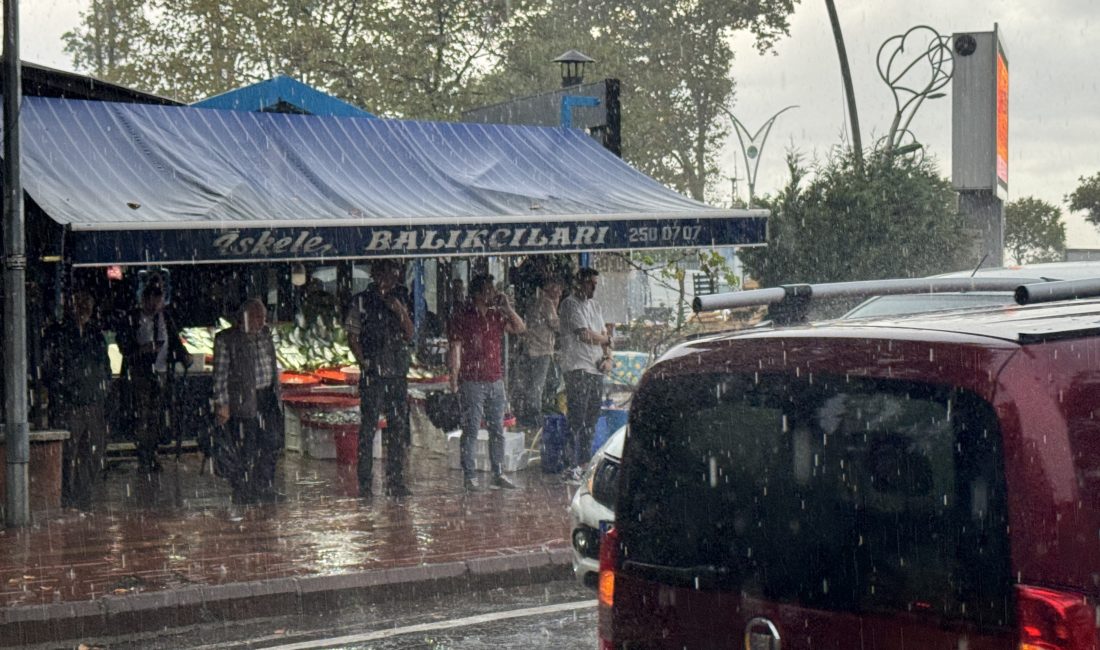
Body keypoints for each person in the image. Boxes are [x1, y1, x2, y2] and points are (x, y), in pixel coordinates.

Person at [448, 274, 526, 491]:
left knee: (497, 429)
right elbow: (455, 347)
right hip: (471, 380)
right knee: (471, 429)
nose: (493, 294)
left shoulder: (495, 315)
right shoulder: (462, 315)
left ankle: (498, 472)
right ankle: (470, 476)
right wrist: (454, 378)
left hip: (495, 379)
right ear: (478, 294)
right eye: (489, 290)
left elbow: (520, 328)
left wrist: (508, 308)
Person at [345, 259, 414, 498]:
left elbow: (410, 333)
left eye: (393, 273)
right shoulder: (361, 300)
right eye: (385, 273)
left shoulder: (402, 298)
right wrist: (365, 362)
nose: (390, 278)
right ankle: (365, 483)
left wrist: (401, 311)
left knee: (397, 428)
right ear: (375, 275)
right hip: (373, 373)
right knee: (368, 428)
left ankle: (395, 481)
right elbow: (352, 336)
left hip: (396, 372)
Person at [44, 290, 112, 510]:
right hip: (69, 403)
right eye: (79, 304)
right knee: (68, 454)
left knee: (92, 452)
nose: (83, 310)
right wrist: (63, 391)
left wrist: (103, 389)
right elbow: (51, 367)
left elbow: (105, 365)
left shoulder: (95, 334)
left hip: (92, 401)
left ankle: (83, 497)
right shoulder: (58, 333)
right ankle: (66, 496)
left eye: (87, 305)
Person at [212, 299, 283, 504]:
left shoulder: (266, 335)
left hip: (267, 396)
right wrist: (221, 403)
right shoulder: (227, 339)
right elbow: (220, 374)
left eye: (263, 317)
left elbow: (271, 363)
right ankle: (243, 489)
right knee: (246, 446)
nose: (261, 322)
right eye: (257, 317)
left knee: (271, 442)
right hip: (243, 399)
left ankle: (264, 486)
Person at [116, 280, 191, 473]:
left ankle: (153, 450)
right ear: (145, 300)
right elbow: (124, 345)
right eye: (153, 301)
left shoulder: (164, 318)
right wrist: (141, 350)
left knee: (156, 415)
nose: (156, 305)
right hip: (140, 373)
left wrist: (183, 355)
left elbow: (174, 339)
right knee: (142, 414)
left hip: (161, 372)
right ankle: (144, 454)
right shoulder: (133, 319)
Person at [558, 268, 612, 483]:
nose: (593, 287)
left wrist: (608, 357)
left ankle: (583, 463)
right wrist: (605, 340)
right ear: (579, 284)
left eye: (595, 283)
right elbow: (585, 335)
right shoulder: (570, 304)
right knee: (577, 419)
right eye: (590, 283)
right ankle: (571, 464)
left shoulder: (595, 305)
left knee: (591, 419)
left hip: (596, 367)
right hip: (578, 367)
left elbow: (605, 334)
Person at [513, 275, 563, 430]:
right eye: (557, 288)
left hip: (530, 348)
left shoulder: (533, 301)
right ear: (549, 287)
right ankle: (535, 419)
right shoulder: (546, 303)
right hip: (541, 350)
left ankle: (527, 416)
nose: (560, 292)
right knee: (538, 386)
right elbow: (556, 325)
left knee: (531, 384)